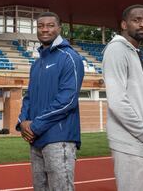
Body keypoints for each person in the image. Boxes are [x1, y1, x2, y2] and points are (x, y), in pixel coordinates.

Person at [17, 11, 85, 191]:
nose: (45, 29)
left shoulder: (70, 57)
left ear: (59, 28)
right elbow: (29, 97)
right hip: (36, 139)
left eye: (50, 25)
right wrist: (22, 122)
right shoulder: (36, 64)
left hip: (58, 138)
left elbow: (67, 100)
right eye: (40, 26)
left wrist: (35, 125)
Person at [102, 4, 143, 191]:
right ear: (124, 24)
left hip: (138, 142)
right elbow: (117, 102)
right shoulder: (117, 50)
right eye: (136, 20)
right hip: (131, 142)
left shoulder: (133, 51)